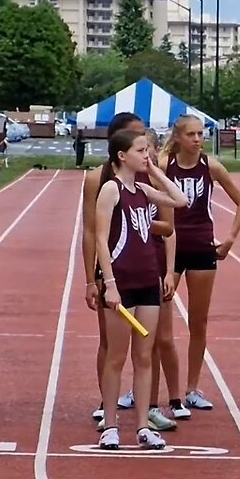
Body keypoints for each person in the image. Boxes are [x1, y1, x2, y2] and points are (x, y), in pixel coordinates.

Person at [94, 130, 189, 450]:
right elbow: (100, 240)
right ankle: (109, 425)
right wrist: (108, 285)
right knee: (116, 358)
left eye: (147, 150)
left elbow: (180, 200)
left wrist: (156, 171)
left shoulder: (144, 189)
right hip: (121, 283)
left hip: (149, 279)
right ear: (122, 155)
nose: (146, 154)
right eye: (140, 150)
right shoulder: (111, 189)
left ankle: (143, 426)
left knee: (145, 356)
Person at [163, 114, 240, 412]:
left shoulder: (210, 166)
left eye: (200, 134)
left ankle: (192, 388)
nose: (198, 139)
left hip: (202, 247)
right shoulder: (164, 166)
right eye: (191, 134)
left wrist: (229, 240)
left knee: (198, 322)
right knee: (155, 323)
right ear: (178, 137)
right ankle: (143, 388)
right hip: (169, 251)